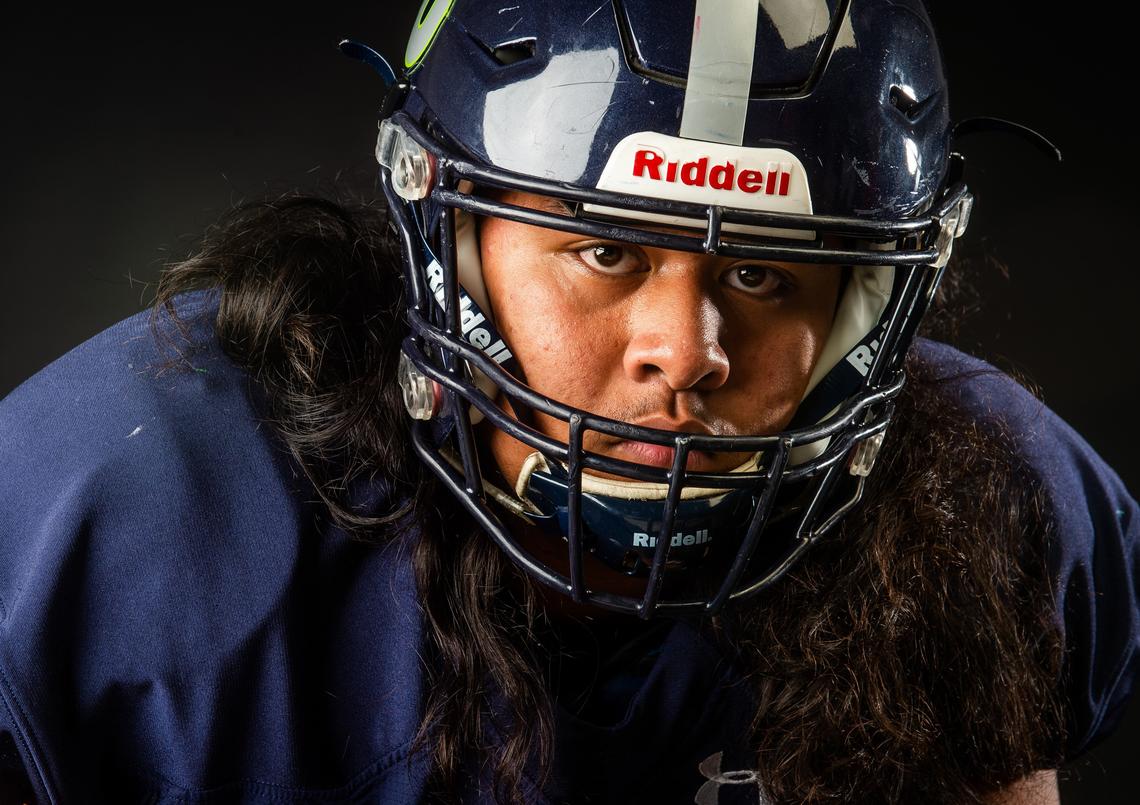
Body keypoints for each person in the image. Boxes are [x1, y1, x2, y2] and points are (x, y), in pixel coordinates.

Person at [0, 1, 1135, 803]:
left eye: (759, 274)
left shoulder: (989, 498)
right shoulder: (126, 509)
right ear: (455, 252)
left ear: (867, 308)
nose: (683, 353)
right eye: (603, 251)